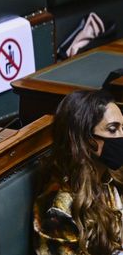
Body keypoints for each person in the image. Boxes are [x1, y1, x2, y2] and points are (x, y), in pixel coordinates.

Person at [33, 89, 123, 255]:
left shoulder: (109, 176)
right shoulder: (60, 208)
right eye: (112, 129)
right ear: (86, 139)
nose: (121, 136)